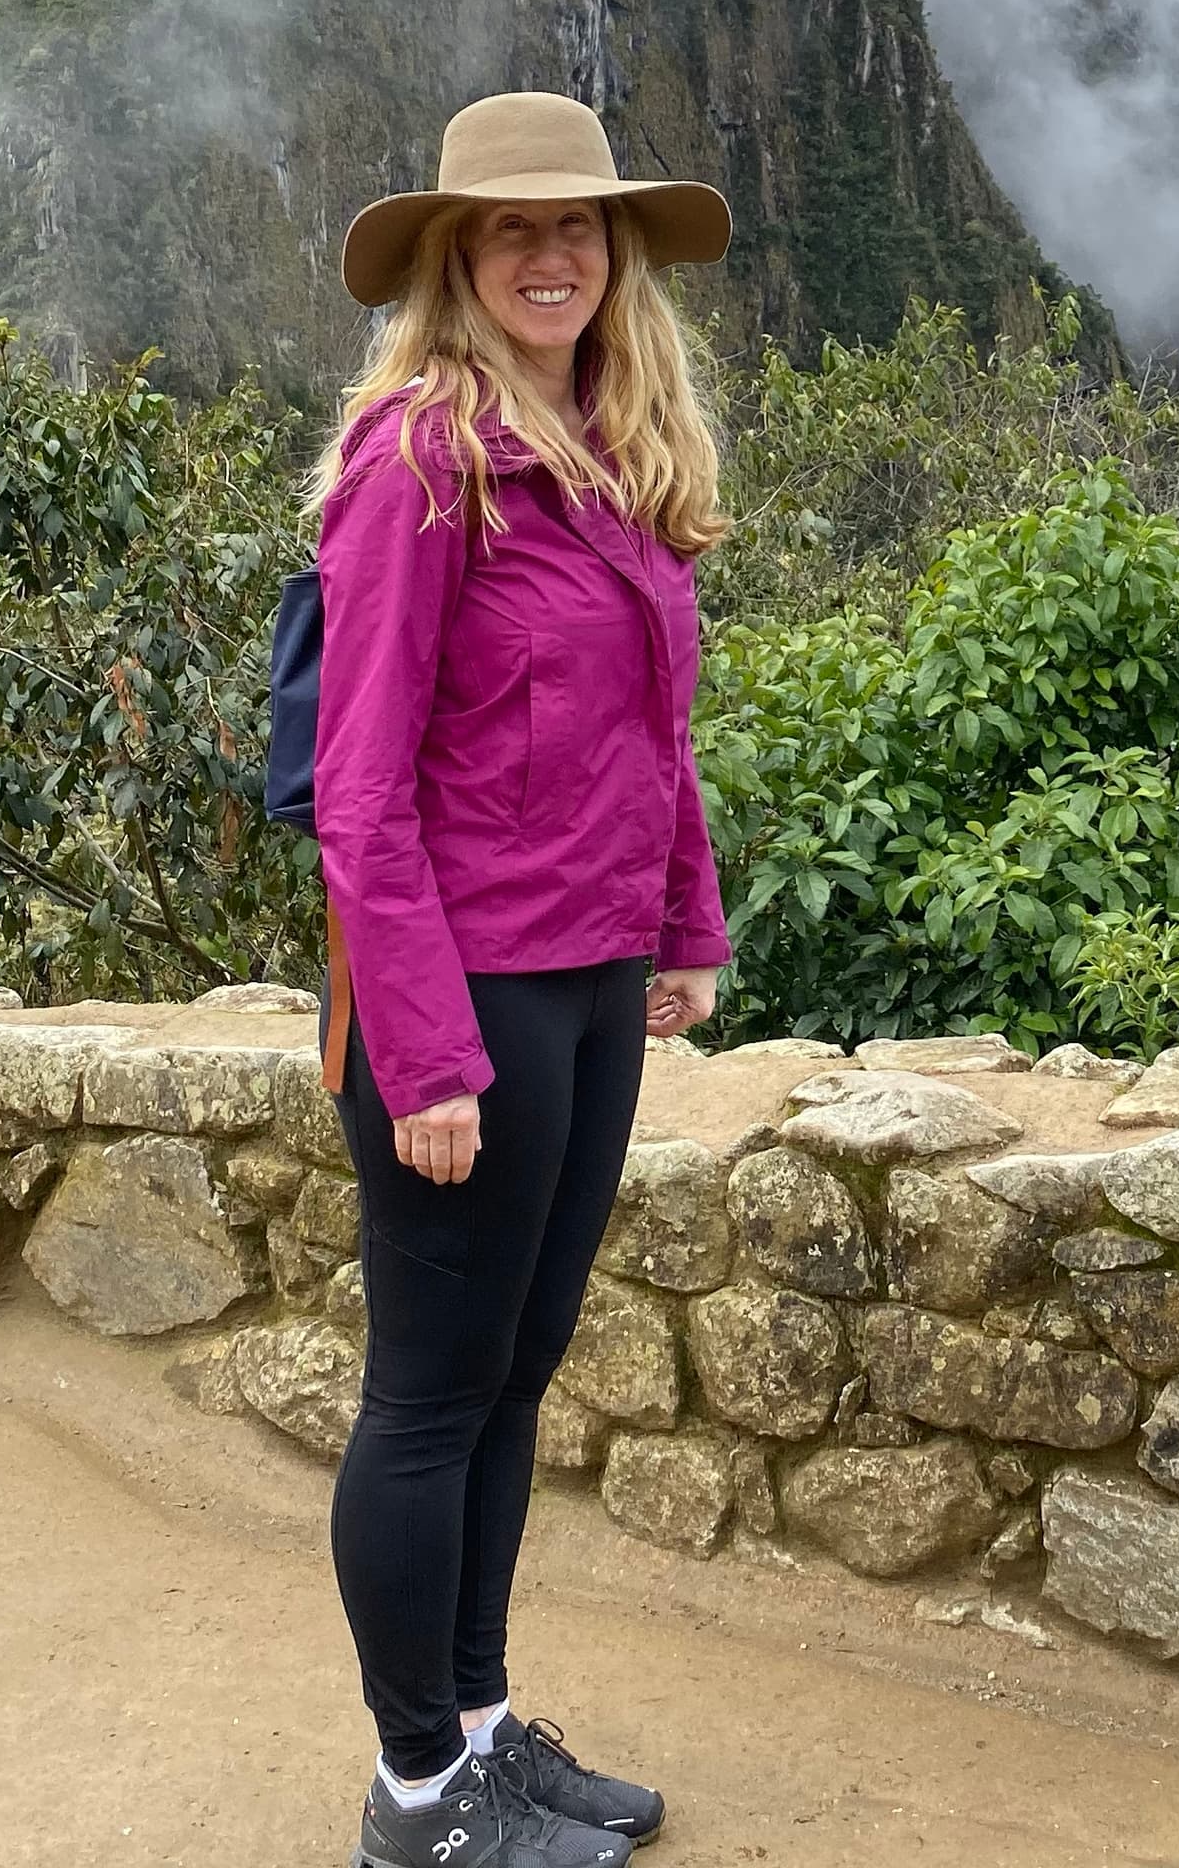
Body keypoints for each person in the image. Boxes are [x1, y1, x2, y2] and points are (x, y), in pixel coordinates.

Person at [310, 91, 735, 1868]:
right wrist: (421, 1059)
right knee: (427, 1394)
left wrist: (685, 929)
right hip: (460, 994)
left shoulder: (614, 459)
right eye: (511, 231)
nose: (551, 256)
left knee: (513, 1373)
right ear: (456, 267)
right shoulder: (418, 466)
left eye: (580, 228)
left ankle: (481, 1729)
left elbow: (653, 736)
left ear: (616, 257)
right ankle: (419, 1795)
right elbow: (359, 790)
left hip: (587, 969)